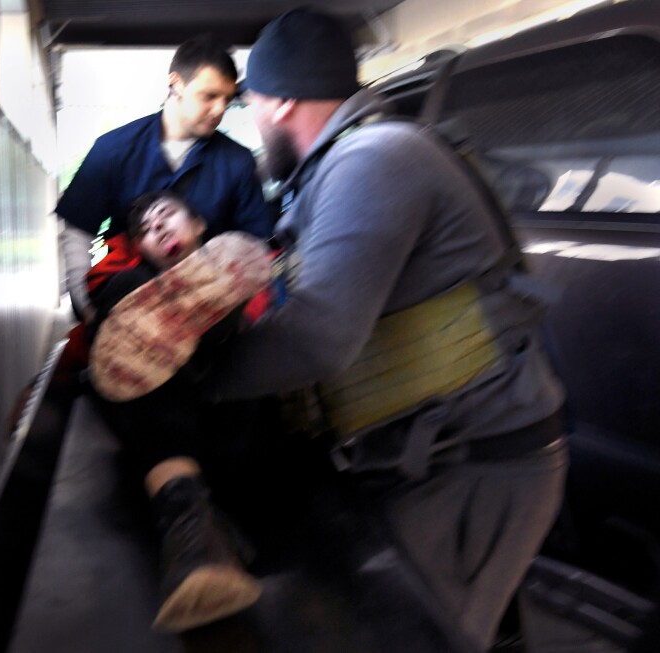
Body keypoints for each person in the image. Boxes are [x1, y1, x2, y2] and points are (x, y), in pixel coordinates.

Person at [181, 8, 567, 652]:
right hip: (430, 456)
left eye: (250, 105)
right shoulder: (339, 167)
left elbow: (315, 338)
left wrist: (191, 377)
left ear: (277, 103)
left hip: (474, 467)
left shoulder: (372, 159)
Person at [85, 191, 274, 634]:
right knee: (129, 325)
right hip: (169, 424)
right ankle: (194, 531)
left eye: (166, 217)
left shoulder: (259, 285)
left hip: (229, 416)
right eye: (147, 231)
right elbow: (91, 365)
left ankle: (207, 314)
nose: (158, 230)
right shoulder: (127, 285)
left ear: (200, 224)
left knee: (181, 337)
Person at [55, 34, 276, 322]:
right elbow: (78, 231)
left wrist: (245, 321)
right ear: (177, 83)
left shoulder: (237, 162)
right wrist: (87, 309)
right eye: (209, 96)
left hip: (211, 321)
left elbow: (255, 248)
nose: (220, 109)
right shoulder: (113, 150)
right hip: (130, 315)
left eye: (227, 99)